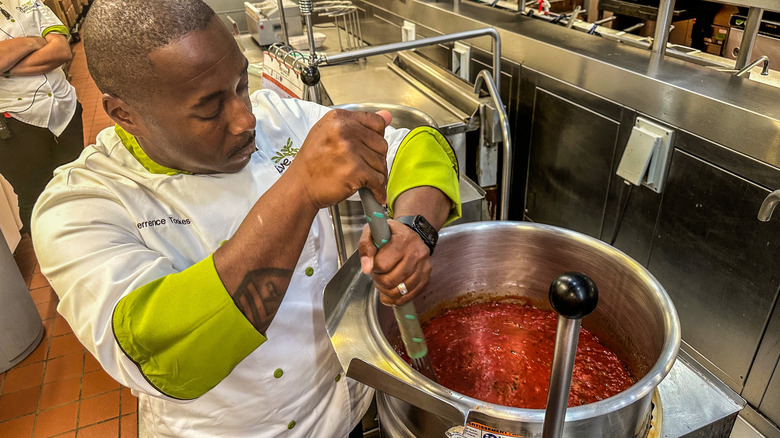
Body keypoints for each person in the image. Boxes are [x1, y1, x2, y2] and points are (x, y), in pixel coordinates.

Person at [31, 0, 461, 436]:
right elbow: (165, 356)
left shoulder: (280, 118)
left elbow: (416, 146)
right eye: (209, 108)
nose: (245, 119)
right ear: (124, 113)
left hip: (340, 414)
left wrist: (414, 229)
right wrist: (300, 189)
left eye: (240, 83)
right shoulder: (80, 206)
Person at [0, 0, 83, 235]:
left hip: (64, 110)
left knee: (76, 179)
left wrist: (9, 62)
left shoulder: (23, 1)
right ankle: (52, 256)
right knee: (35, 197)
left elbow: (61, 50)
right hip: (15, 123)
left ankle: (84, 238)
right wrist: (33, 41)